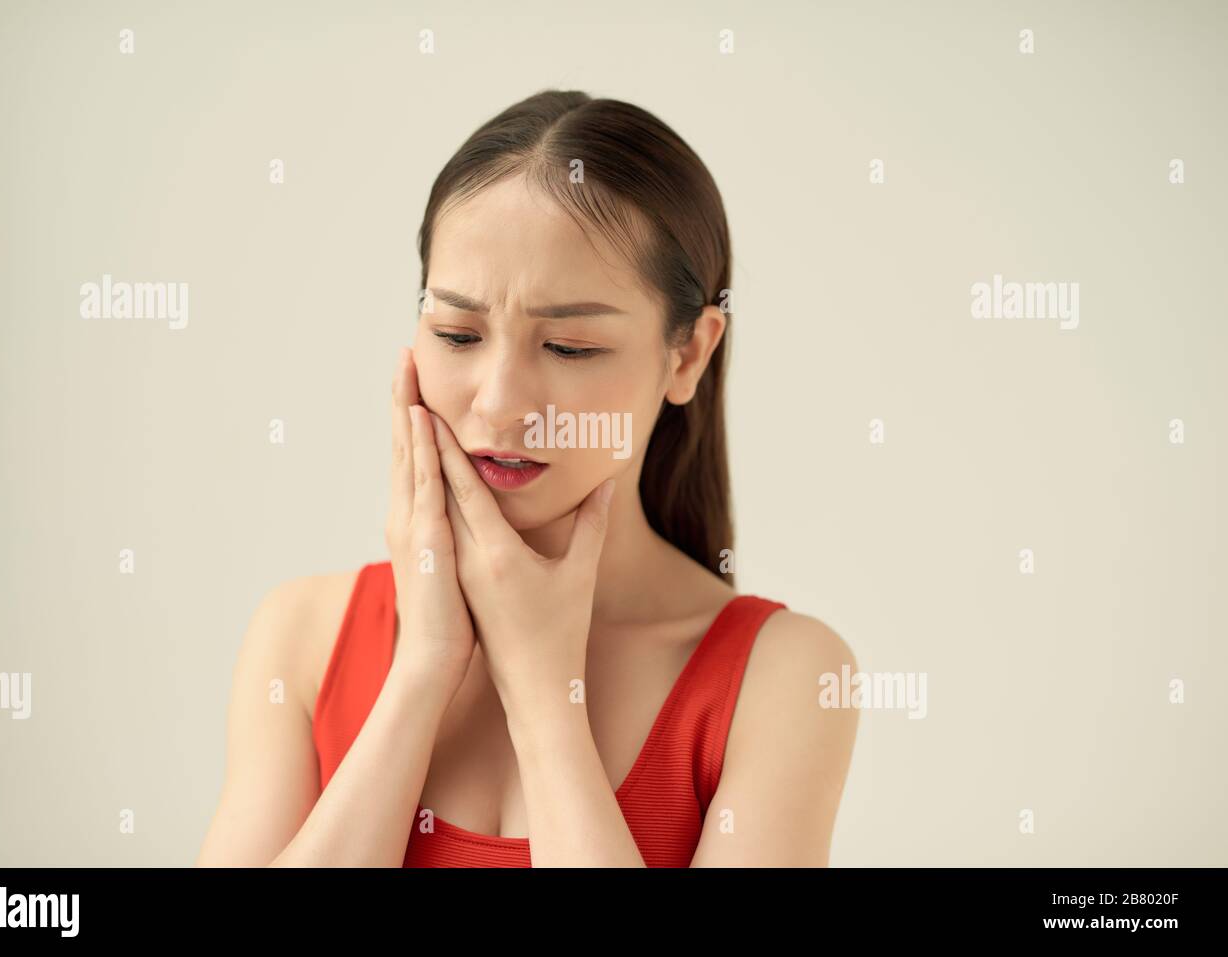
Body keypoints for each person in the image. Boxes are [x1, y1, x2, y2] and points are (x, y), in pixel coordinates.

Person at [196, 90, 859, 867]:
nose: (502, 402)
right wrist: (422, 668)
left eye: (570, 347)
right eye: (456, 333)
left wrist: (547, 696)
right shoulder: (302, 635)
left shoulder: (783, 677)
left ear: (688, 354)